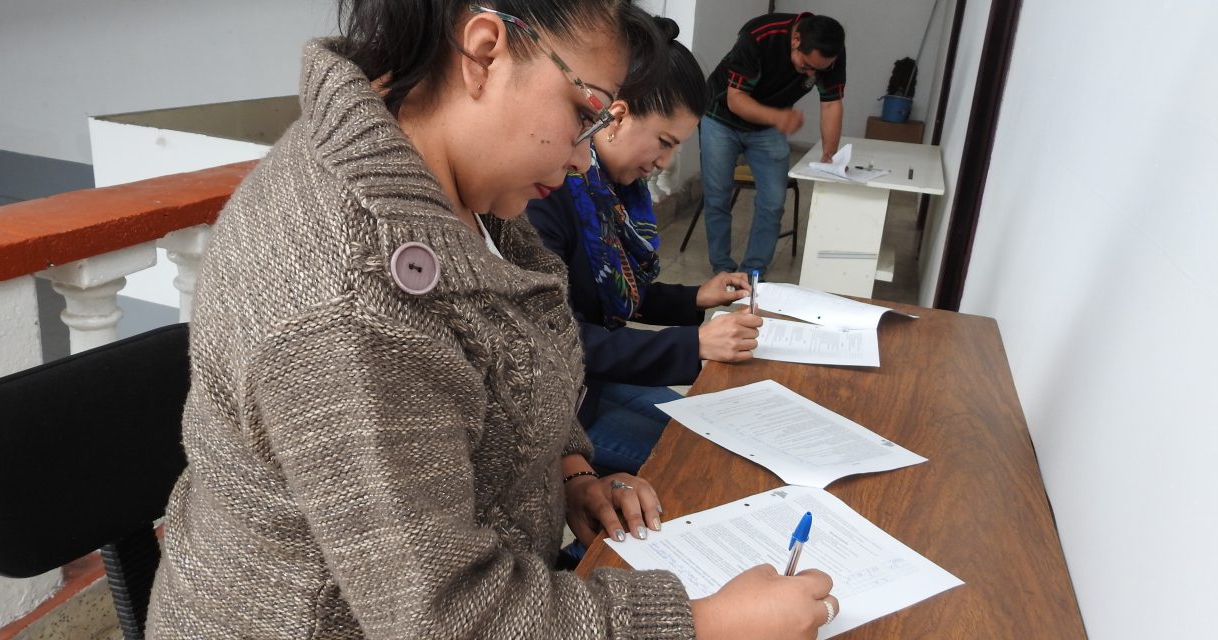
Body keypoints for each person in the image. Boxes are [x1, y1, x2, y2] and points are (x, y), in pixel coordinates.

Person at [146, 1, 837, 638]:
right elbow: (446, 618)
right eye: (585, 111)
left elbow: (525, 345)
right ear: (484, 52)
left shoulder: (456, 189)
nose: (579, 158)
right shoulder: (351, 301)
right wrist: (704, 622)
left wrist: (569, 471)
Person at [526, 17, 761, 475]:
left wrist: (695, 297)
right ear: (617, 116)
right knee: (697, 468)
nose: (664, 163)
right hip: (562, 411)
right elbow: (564, 338)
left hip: (593, 383)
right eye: (664, 142)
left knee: (720, 437)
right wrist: (694, 344)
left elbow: (614, 290)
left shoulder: (609, 195)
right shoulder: (545, 195)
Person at [700, 12, 846, 275]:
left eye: (819, 69)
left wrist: (830, 152)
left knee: (773, 201)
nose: (812, 73)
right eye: (806, 65)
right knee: (717, 197)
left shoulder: (829, 52)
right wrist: (780, 118)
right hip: (720, 118)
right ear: (796, 40)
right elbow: (736, 100)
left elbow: (832, 102)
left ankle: (754, 272)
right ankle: (722, 270)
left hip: (768, 127)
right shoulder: (759, 36)